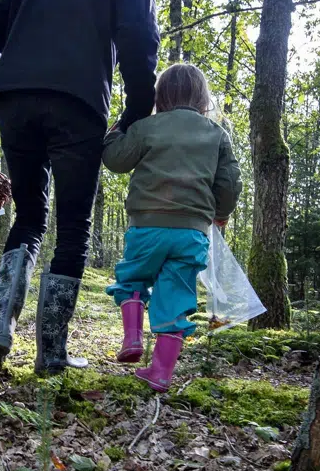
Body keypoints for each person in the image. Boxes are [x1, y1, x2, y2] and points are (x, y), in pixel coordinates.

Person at [0, 0, 160, 376]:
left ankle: (0, 329)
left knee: (28, 217)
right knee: (72, 227)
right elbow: (138, 38)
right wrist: (135, 111)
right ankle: (51, 352)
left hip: (15, 99)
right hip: (78, 103)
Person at [101, 63, 241, 392]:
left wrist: (113, 133)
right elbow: (231, 182)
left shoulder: (148, 127)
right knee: (176, 297)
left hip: (146, 226)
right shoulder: (216, 134)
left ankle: (133, 339)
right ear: (202, 97)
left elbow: (116, 161)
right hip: (191, 232)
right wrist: (221, 214)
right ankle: (161, 373)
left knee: (132, 279)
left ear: (160, 95)